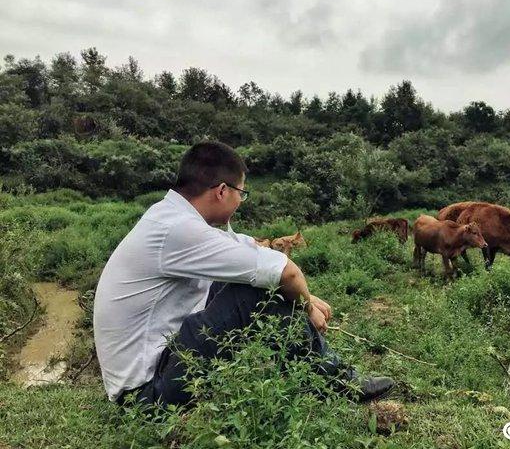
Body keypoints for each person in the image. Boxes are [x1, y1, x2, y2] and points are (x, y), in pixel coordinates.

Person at [93, 141, 393, 406]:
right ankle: (338, 382)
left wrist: (306, 293)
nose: (241, 201)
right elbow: (285, 273)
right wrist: (308, 306)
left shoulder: (172, 218)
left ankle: (306, 373)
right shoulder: (177, 228)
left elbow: (244, 248)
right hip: (145, 395)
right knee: (256, 288)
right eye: (241, 193)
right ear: (223, 191)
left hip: (156, 371)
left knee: (245, 277)